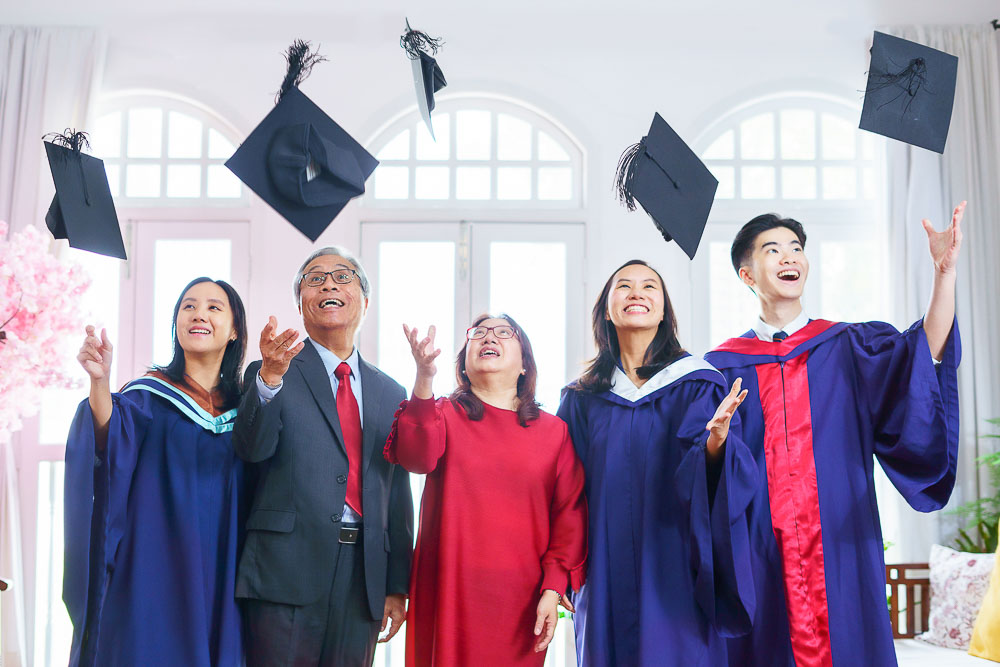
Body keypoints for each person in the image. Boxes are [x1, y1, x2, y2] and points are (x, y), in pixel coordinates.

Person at [704, 205, 965, 666]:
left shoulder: (846, 346)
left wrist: (944, 274)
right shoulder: (723, 368)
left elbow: (922, 354)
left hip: (840, 541)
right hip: (763, 548)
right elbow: (705, 473)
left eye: (796, 248)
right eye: (773, 250)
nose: (790, 256)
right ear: (747, 274)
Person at [557, 260, 757, 666]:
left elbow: (718, 488)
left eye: (650, 286)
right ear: (606, 309)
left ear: (664, 310)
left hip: (673, 564)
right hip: (603, 567)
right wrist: (561, 566)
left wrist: (716, 442)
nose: (637, 292)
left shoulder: (698, 384)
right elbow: (562, 490)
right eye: (624, 286)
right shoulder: (581, 398)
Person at [233, 246, 413, 667]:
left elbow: (397, 493)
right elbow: (251, 450)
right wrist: (269, 379)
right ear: (300, 305)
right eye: (314, 279)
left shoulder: (391, 391)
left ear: (365, 301)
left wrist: (396, 584)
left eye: (342, 276)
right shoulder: (271, 371)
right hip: (285, 571)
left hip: (363, 576)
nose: (328, 284)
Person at [64, 277, 249, 666]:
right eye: (188, 306)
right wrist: (100, 382)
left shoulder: (248, 409)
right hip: (157, 564)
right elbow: (108, 440)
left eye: (214, 307)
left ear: (234, 330)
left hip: (227, 569)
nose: (199, 314)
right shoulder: (148, 396)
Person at [384, 313, 588, 666]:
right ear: (464, 365)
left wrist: (553, 587)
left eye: (503, 332)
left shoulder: (554, 432)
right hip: (447, 588)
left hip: (522, 599)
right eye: (478, 333)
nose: (488, 337)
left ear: (524, 364)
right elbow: (416, 458)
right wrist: (424, 378)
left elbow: (569, 516)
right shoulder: (442, 413)